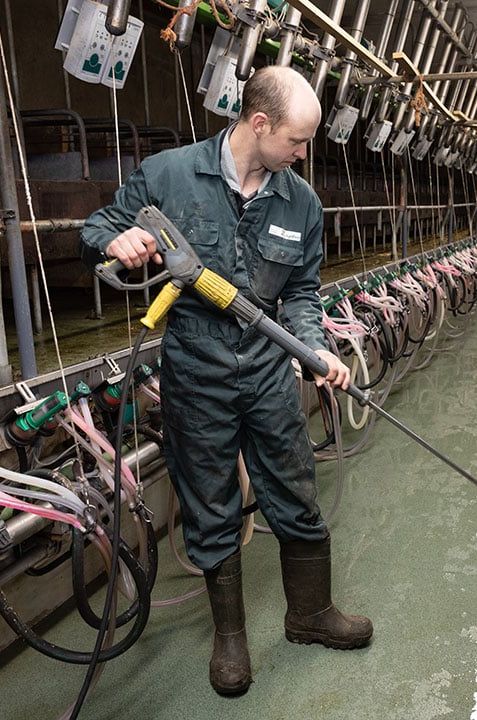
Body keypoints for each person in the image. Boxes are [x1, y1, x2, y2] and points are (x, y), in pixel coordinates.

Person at [79, 65, 372, 696]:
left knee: (295, 485)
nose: (302, 153)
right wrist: (124, 238)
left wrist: (314, 351)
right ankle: (231, 640)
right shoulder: (170, 175)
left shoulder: (301, 200)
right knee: (210, 501)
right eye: (296, 140)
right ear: (258, 123)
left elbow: (300, 291)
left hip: (267, 365)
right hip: (196, 366)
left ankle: (310, 614)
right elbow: (95, 229)